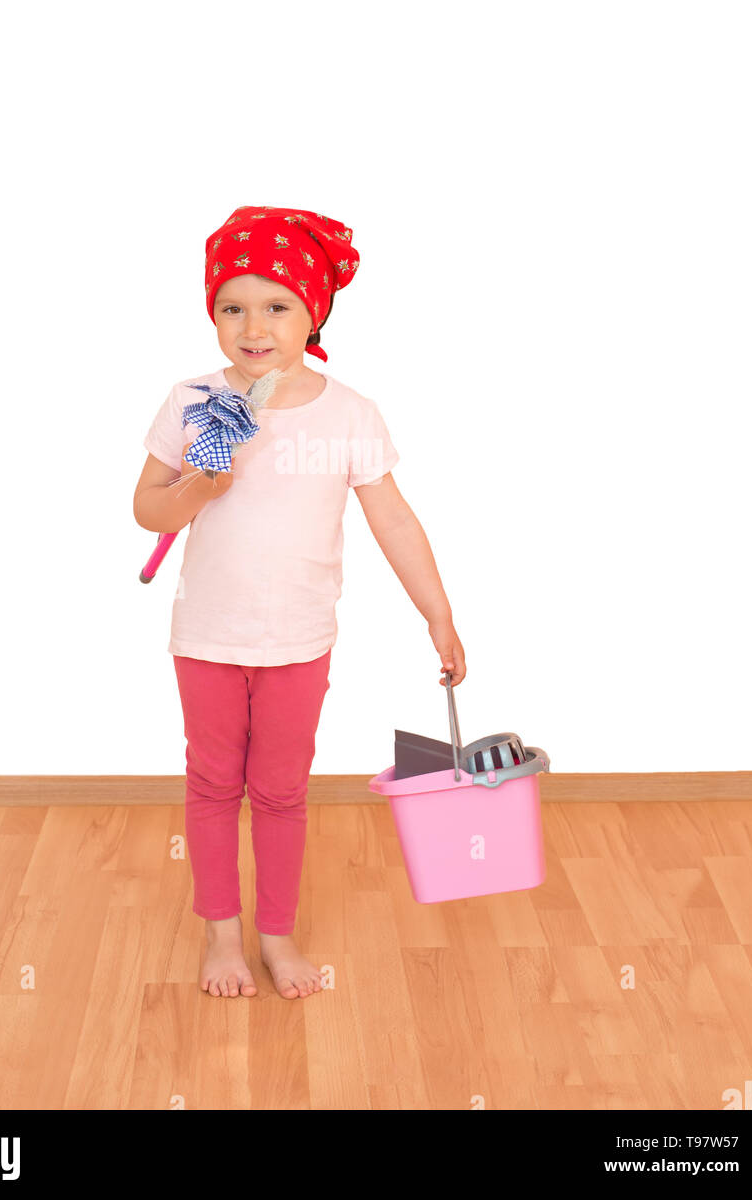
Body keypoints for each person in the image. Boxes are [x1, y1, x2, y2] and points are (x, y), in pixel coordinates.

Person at [133, 204, 466, 1000]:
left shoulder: (348, 414)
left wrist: (438, 612)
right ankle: (222, 936)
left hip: (300, 641)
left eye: (277, 305)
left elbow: (393, 518)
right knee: (213, 784)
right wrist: (199, 482)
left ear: (313, 310)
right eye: (232, 306)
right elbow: (148, 510)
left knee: (282, 792)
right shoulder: (192, 402)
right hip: (208, 637)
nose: (254, 326)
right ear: (212, 313)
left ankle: (275, 936)